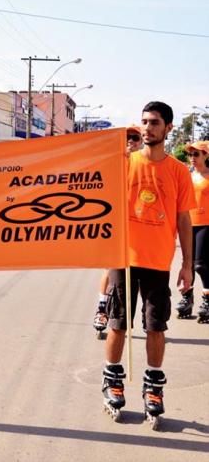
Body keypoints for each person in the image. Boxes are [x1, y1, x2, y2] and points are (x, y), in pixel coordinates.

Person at [101, 102, 195, 429]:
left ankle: (153, 388)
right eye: (144, 122)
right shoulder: (125, 164)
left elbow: (184, 219)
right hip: (124, 257)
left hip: (158, 261)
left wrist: (187, 264)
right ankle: (112, 379)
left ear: (168, 127)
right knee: (117, 322)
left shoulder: (179, 171)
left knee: (156, 326)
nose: (147, 127)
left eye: (154, 122)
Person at [93, 126, 144, 337]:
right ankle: (102, 309)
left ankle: (145, 315)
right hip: (115, 226)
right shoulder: (115, 162)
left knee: (139, 276)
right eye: (127, 137)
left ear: (142, 140)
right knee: (111, 268)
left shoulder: (146, 164)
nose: (130, 140)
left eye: (135, 137)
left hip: (141, 228)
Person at [177, 140, 209, 323]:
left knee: (200, 264)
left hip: (206, 224)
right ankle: (187, 299)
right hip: (188, 224)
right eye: (190, 154)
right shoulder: (187, 176)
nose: (192, 158)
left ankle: (207, 300)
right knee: (187, 264)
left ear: (206, 155)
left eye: (196, 154)